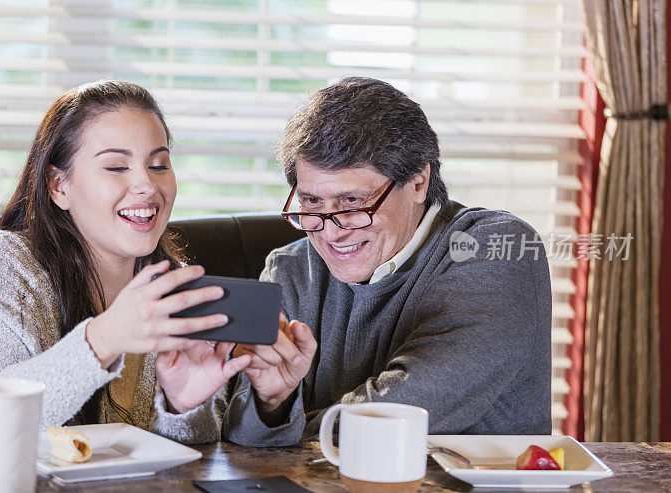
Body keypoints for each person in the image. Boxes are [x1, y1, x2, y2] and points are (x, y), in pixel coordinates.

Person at [0, 80, 250, 443]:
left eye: (158, 165)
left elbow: (179, 466)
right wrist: (104, 338)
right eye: (116, 167)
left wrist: (181, 407)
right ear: (58, 186)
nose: (147, 184)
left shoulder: (172, 289)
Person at [223, 77, 552, 445]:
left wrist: (290, 429)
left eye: (352, 203)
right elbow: (240, 433)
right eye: (312, 202)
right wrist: (274, 404)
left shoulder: (494, 247)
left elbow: (405, 410)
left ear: (418, 182)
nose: (331, 233)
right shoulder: (291, 270)